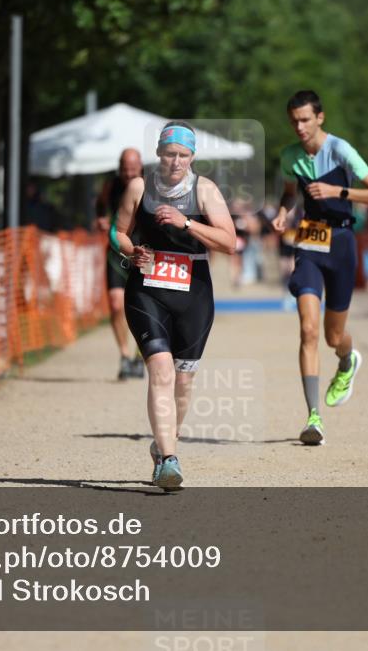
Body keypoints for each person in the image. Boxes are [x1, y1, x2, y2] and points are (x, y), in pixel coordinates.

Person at [113, 121, 236, 490]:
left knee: (183, 381)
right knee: (161, 371)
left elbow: (229, 242)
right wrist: (131, 251)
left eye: (183, 155)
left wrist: (187, 224)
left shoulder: (205, 190)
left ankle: (164, 442)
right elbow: (117, 231)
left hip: (193, 293)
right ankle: (169, 459)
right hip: (147, 289)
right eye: (169, 154)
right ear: (158, 154)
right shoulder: (139, 187)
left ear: (192, 156)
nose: (176, 161)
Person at [271, 90, 368, 445]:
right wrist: (283, 211)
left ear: (320, 118)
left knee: (332, 337)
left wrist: (339, 193)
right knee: (307, 329)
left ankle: (347, 358)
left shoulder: (341, 150)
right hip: (310, 240)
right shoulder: (289, 156)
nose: (299, 127)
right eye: (294, 121)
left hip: (341, 242)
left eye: (305, 120)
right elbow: (290, 192)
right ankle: (313, 417)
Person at [96, 149, 145, 380]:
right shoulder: (111, 185)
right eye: (125, 169)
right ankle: (124, 355)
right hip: (117, 252)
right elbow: (100, 205)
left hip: (143, 251)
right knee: (116, 304)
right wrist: (101, 220)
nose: (129, 173)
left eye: (133, 169)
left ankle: (140, 356)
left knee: (144, 306)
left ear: (140, 166)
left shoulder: (149, 185)